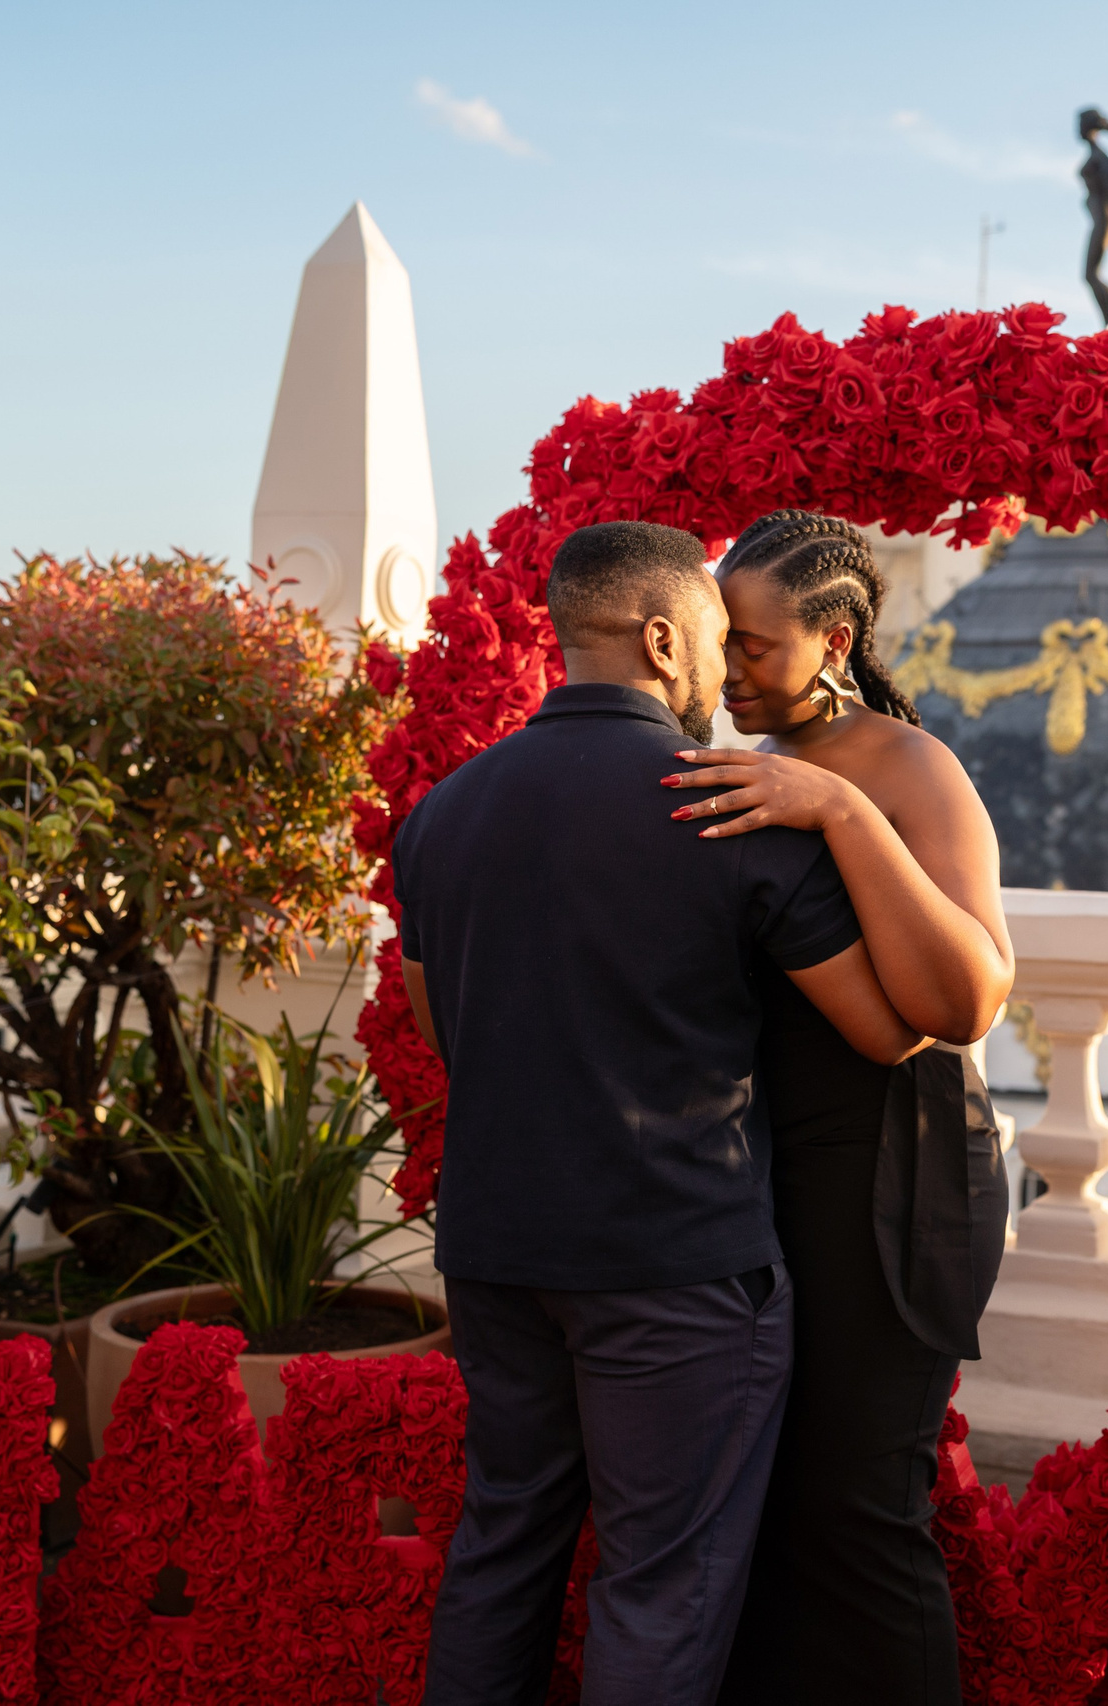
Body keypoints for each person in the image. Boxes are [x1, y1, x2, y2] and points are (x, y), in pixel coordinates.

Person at [395, 520, 921, 1706]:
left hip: (495, 1247)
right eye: (712, 642)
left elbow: (446, 1028)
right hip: (672, 1261)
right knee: (659, 1584)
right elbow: (893, 1029)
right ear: (659, 634)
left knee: (500, 1547)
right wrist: (842, 815)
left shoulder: (443, 813)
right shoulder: (723, 807)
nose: (719, 673)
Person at [663, 512, 1014, 1706]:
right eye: (722, 642)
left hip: (890, 1174)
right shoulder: (719, 755)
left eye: (753, 645)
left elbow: (962, 1000)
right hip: (759, 1172)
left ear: (835, 639)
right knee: (759, 1504)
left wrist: (839, 811)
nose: (731, 669)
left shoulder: (905, 768)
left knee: (856, 1510)